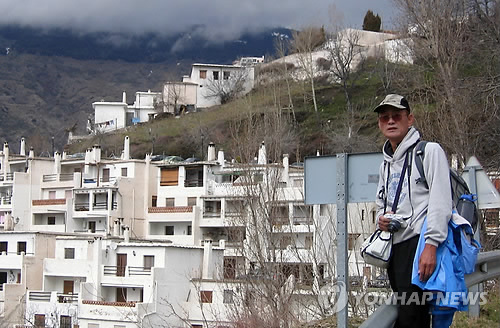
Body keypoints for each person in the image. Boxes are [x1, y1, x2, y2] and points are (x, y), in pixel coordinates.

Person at [374, 94, 453, 328]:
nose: (390, 121)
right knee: (407, 315)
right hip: (394, 249)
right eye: (384, 117)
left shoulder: (429, 152)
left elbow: (441, 200)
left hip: (419, 245)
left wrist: (431, 245)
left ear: (410, 119)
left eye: (396, 116)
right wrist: (381, 219)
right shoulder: (385, 165)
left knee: (412, 318)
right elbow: (381, 203)